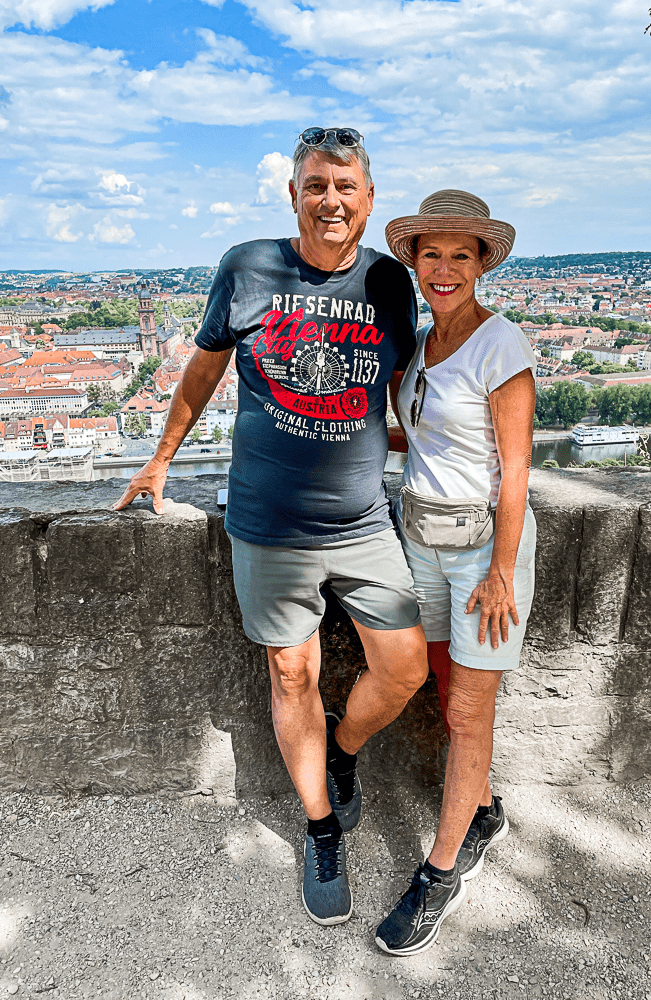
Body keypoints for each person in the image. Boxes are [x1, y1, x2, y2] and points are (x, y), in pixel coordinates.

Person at [114, 127, 429, 927]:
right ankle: (320, 826)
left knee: (403, 669)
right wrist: (160, 459)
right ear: (294, 194)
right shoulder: (247, 267)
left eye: (345, 187)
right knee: (290, 674)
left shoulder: (390, 282)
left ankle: (344, 751)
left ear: (367, 198)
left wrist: (426, 445)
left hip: (362, 520)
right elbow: (205, 367)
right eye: (316, 185)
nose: (331, 201)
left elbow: (395, 382)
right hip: (267, 523)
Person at [375, 190, 537, 955]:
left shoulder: (500, 344)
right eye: (430, 254)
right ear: (414, 262)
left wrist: (502, 571)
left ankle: (441, 872)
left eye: (459, 256)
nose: (444, 269)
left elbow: (514, 472)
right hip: (420, 537)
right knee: (444, 691)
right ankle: (486, 809)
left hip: (479, 550)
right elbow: (428, 442)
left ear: (481, 265)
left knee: (470, 713)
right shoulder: (419, 341)